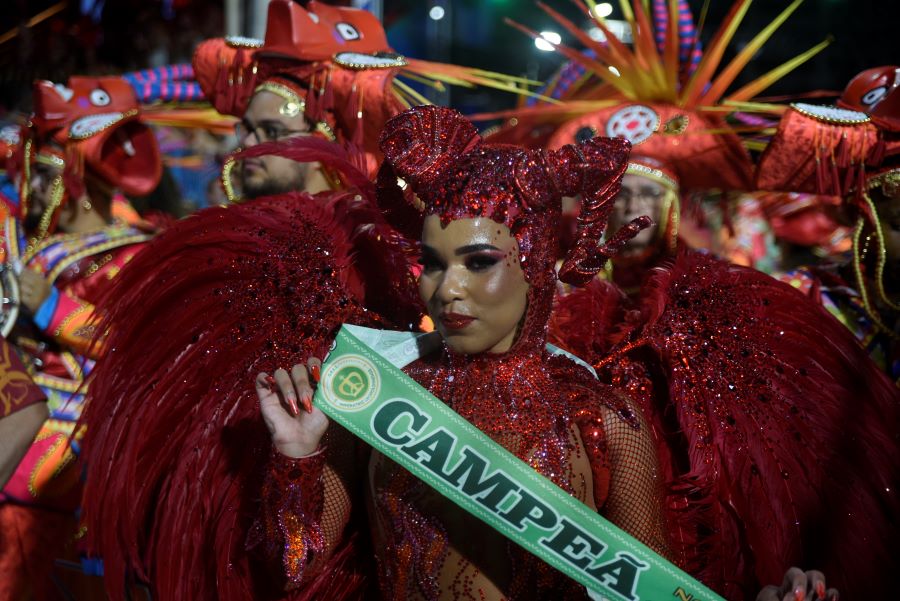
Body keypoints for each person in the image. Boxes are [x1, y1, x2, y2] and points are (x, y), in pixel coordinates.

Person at [257, 106, 846, 600]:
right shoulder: (379, 389)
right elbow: (296, 572)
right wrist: (297, 454)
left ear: (536, 268)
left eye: (479, 262)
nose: (446, 288)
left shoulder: (601, 416)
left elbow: (649, 589)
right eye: (433, 263)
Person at [0, 74, 162, 600]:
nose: (36, 192)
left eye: (46, 178)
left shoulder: (133, 251)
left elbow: (135, 338)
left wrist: (48, 305)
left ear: (77, 180)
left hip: (70, 436)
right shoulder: (31, 243)